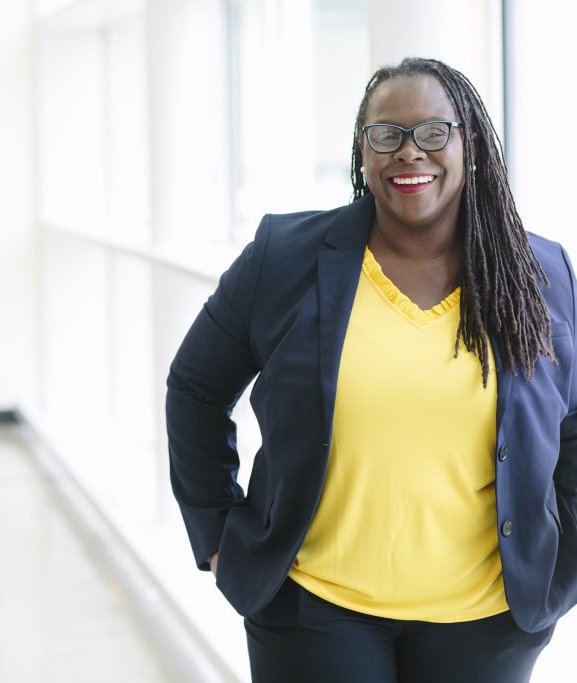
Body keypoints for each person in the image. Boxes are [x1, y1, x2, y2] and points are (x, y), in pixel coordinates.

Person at [165, 57, 577, 682]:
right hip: (313, 609)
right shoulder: (284, 260)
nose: (410, 153)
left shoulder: (540, 275)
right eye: (386, 134)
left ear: (471, 143)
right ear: (362, 150)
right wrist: (217, 532)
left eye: (434, 132)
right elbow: (194, 389)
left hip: (488, 621)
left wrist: (564, 561)